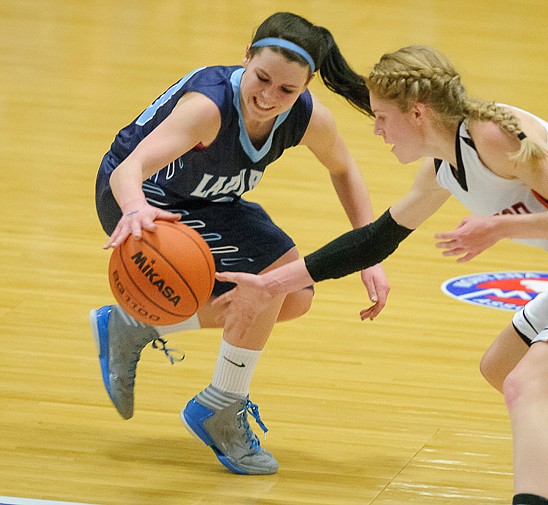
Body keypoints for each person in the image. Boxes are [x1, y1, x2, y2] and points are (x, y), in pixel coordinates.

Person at [211, 46, 548, 504]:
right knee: (502, 367)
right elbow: (377, 239)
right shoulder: (446, 164)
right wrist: (271, 284)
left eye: (383, 119)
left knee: (527, 386)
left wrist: (501, 226)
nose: (379, 131)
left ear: (417, 112)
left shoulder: (493, 135)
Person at [90, 12, 389, 475]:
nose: (269, 97)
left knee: (294, 298)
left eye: (287, 90)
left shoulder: (308, 117)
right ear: (245, 58)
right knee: (271, 277)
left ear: (306, 87)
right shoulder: (207, 109)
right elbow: (129, 168)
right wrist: (134, 210)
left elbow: (344, 169)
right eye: (262, 78)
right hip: (139, 197)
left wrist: (370, 250)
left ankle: (136, 326)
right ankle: (222, 405)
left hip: (208, 201)